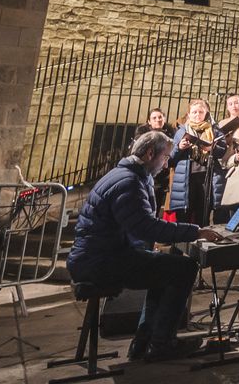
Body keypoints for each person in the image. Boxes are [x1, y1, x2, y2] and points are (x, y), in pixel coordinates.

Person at [67, 131, 223, 362]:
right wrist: (196, 232)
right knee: (185, 268)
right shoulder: (129, 182)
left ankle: (144, 341)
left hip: (98, 255)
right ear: (150, 154)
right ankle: (161, 343)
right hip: (100, 262)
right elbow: (146, 227)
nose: (166, 164)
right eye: (165, 157)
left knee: (163, 269)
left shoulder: (125, 174)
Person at [168, 98, 226, 227]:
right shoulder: (181, 131)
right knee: (184, 217)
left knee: (203, 215)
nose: (197, 115)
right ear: (189, 114)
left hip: (207, 177)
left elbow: (222, 151)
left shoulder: (214, 130)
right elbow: (170, 158)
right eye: (194, 112)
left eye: (201, 112)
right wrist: (180, 147)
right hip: (186, 178)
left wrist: (212, 149)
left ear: (206, 113)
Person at [134, 107, 173, 213]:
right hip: (147, 174)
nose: (157, 120)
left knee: (156, 205)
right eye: (154, 118)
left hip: (162, 176)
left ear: (164, 119)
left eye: (160, 117)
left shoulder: (171, 134)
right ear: (149, 121)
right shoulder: (143, 136)